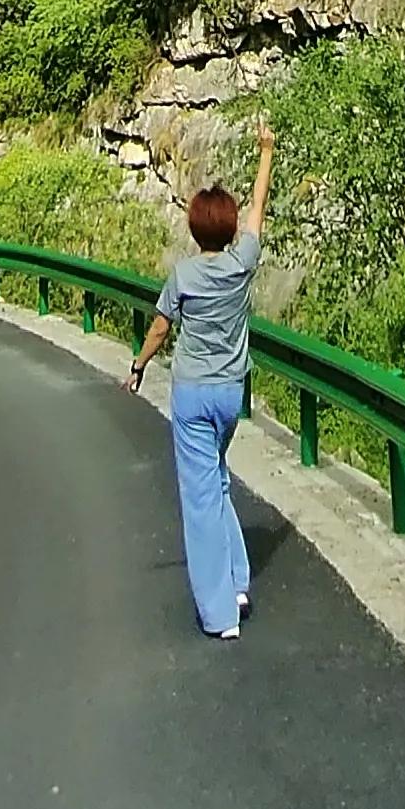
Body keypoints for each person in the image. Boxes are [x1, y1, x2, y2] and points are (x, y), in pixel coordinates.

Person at [126, 121, 275, 641]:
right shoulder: (243, 264)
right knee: (217, 480)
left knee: (199, 497)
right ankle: (236, 579)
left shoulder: (184, 276)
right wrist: (265, 153)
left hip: (191, 395)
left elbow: (161, 328)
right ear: (231, 229)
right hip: (230, 393)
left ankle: (220, 614)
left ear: (194, 230)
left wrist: (140, 363)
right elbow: (258, 210)